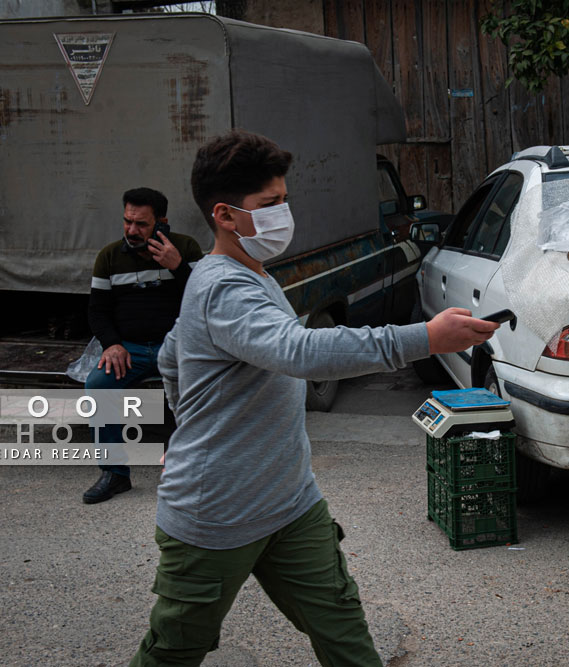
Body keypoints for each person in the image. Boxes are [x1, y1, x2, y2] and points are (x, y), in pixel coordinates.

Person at [128, 129, 499, 666]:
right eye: (269, 204)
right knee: (174, 651)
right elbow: (297, 352)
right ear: (225, 216)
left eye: (284, 199)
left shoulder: (250, 275)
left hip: (289, 502)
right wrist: (423, 338)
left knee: (343, 629)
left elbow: (170, 357)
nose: (284, 212)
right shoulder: (221, 287)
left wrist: (181, 428)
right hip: (216, 515)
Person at [82, 187, 203, 504]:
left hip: (175, 346)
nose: (132, 230)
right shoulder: (109, 257)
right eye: (127, 222)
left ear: (162, 223)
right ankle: (114, 474)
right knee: (97, 386)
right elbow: (97, 310)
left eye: (142, 224)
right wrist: (111, 344)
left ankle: (184, 468)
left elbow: (206, 301)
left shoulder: (186, 248)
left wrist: (178, 267)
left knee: (200, 387)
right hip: (130, 348)